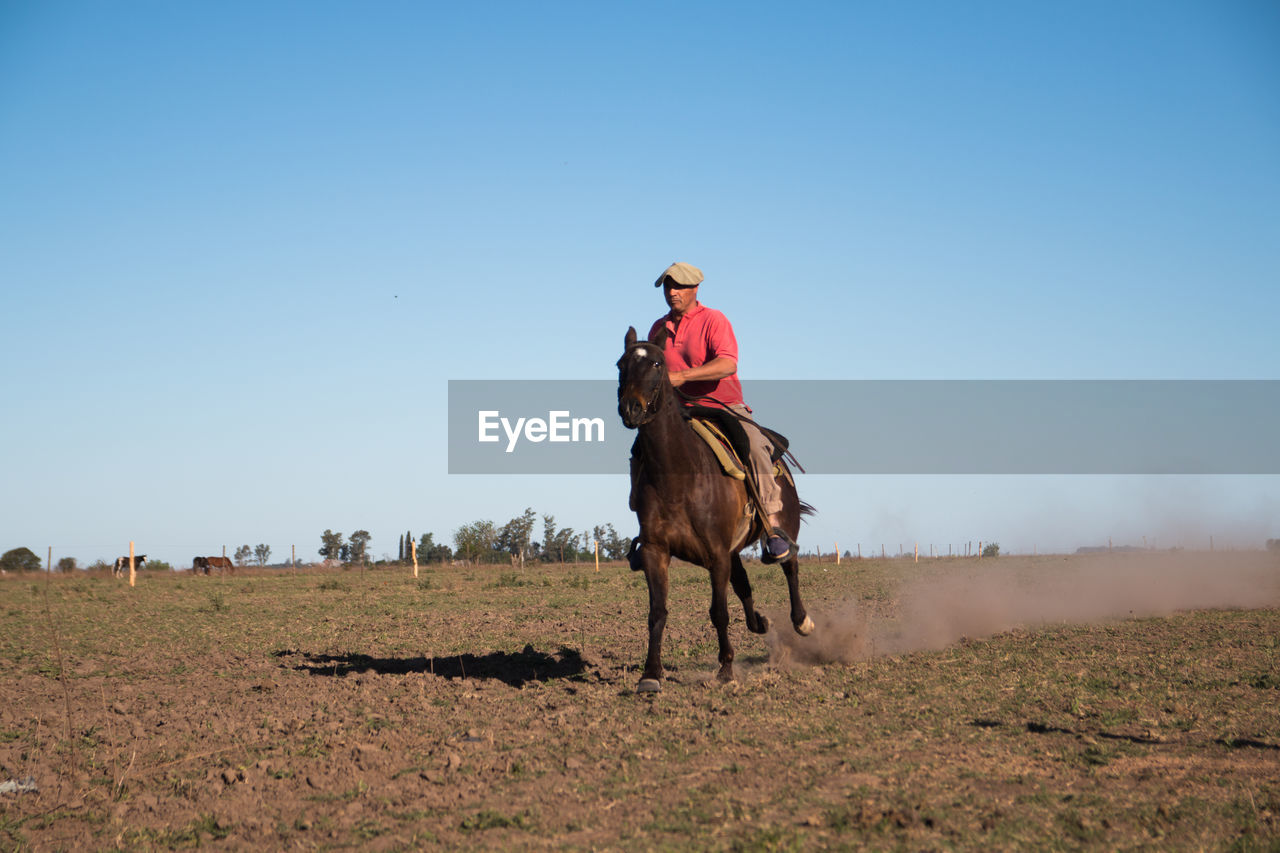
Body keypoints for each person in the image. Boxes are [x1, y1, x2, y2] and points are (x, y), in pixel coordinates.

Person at [645, 261, 792, 561]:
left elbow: (728, 363)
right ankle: (647, 528)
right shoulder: (658, 328)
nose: (672, 292)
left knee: (753, 446)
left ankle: (772, 526)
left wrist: (683, 376)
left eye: (679, 287)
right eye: (668, 287)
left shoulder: (714, 320)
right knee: (642, 449)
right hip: (679, 413)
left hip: (721, 406)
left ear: (695, 289)